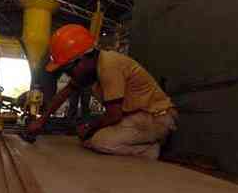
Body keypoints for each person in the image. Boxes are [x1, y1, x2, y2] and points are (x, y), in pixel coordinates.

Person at [27, 24, 178, 158]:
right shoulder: (89, 70)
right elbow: (63, 94)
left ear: (84, 58)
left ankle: (149, 150)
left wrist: (88, 128)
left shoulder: (108, 66)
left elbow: (114, 115)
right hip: (135, 117)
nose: (68, 75)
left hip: (156, 118)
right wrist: (41, 120)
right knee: (89, 141)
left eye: (68, 69)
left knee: (100, 142)